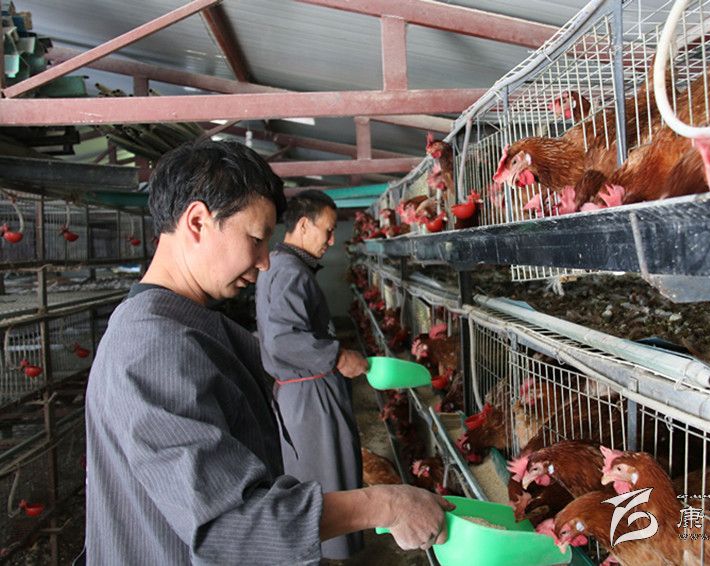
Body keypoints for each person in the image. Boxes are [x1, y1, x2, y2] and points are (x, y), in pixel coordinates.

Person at [84, 139, 451, 565]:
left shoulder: (181, 325)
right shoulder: (152, 346)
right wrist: (387, 504)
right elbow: (233, 523)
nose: (264, 262)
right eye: (257, 239)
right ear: (198, 222)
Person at [254, 190, 368, 559]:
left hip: (301, 390)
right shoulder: (289, 271)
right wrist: (338, 356)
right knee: (326, 478)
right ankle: (325, 553)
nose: (332, 241)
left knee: (318, 476)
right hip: (309, 395)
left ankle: (320, 550)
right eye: (328, 230)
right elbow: (283, 339)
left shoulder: (282, 265)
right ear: (304, 225)